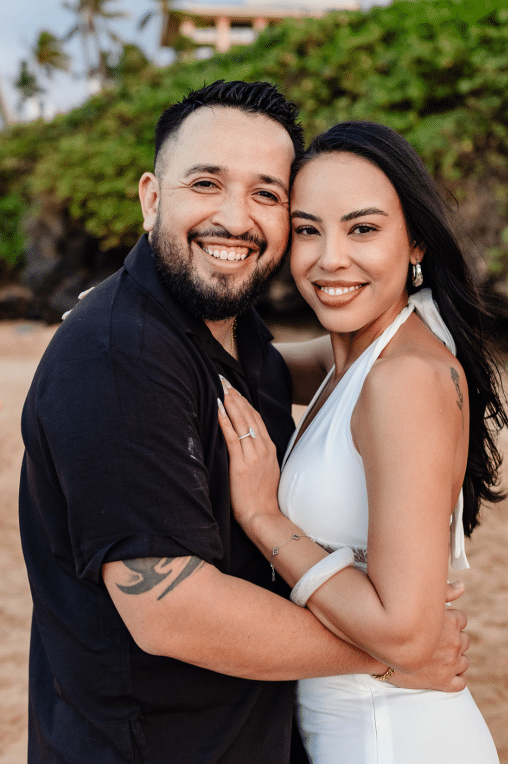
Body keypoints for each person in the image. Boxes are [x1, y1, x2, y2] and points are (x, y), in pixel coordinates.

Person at [19, 82, 470, 764]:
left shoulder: (234, 332)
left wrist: (411, 337)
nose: (236, 218)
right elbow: (171, 612)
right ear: (152, 197)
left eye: (267, 193)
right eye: (206, 183)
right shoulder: (117, 359)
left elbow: (347, 365)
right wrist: (389, 658)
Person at [215, 120, 506, 763]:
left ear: (417, 242)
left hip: (392, 739)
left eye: (363, 229)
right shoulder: (363, 353)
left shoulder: (404, 378)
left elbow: (404, 632)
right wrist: (147, 318)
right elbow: (252, 365)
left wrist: (264, 517)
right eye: (308, 230)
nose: (329, 259)